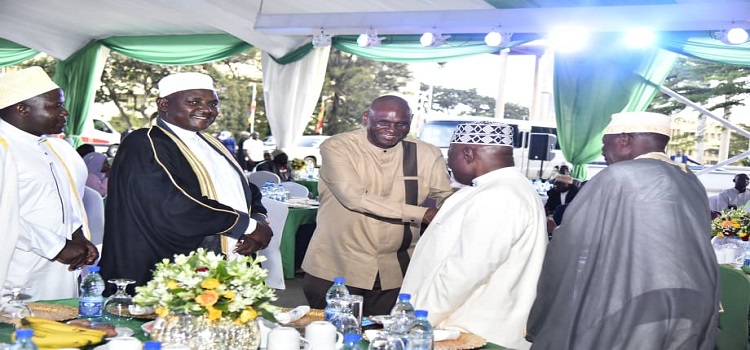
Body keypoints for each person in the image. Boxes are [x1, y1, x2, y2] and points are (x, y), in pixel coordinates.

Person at [526, 112, 719, 349]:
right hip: (694, 302)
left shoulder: (618, 176)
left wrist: (545, 313)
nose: (602, 153)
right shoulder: (690, 179)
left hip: (635, 304)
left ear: (624, 140)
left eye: (605, 144)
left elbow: (572, 243)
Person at [99, 72, 272, 295]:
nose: (207, 110)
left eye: (213, 103)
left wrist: (258, 221)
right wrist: (245, 226)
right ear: (163, 104)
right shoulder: (145, 142)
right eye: (193, 101)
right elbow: (171, 205)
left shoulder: (211, 143)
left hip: (227, 256)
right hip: (170, 265)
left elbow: (247, 190)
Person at [301, 95, 454, 316]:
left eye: (401, 123)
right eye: (383, 122)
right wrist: (423, 214)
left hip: (396, 268)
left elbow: (445, 194)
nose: (392, 129)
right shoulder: (338, 147)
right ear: (366, 118)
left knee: (385, 336)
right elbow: (354, 197)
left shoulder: (426, 153)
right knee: (328, 336)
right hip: (336, 265)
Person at [401, 121, 547, 349]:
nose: (449, 164)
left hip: (471, 333)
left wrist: (414, 322)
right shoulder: (499, 189)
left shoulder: (500, 195)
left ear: (468, 153)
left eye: (450, 156)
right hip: (465, 327)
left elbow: (463, 273)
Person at [0, 66, 98, 300]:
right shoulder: (4, 147)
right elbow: (5, 218)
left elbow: (70, 200)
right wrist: (56, 246)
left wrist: (78, 236)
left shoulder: (57, 148)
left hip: (62, 267)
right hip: (17, 268)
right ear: (21, 109)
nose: (65, 112)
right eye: (55, 106)